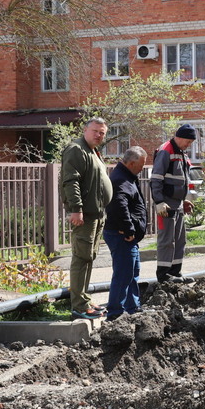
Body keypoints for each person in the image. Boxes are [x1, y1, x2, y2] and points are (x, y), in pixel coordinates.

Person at [60, 117, 113, 319]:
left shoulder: (92, 151)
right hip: (85, 215)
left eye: (102, 133)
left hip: (96, 214)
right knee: (81, 258)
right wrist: (76, 209)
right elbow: (70, 181)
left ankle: (84, 298)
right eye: (96, 131)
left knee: (89, 256)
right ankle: (79, 307)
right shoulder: (76, 149)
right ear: (85, 130)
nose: (99, 135)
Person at [103, 146, 149, 320]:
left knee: (132, 272)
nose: (143, 168)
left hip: (127, 235)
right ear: (131, 163)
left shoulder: (128, 176)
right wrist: (129, 229)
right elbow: (118, 206)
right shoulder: (120, 180)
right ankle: (115, 313)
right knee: (123, 274)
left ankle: (132, 308)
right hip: (121, 234)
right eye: (141, 165)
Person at [150, 124, 196, 281]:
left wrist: (185, 200)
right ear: (180, 137)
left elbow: (182, 179)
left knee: (179, 239)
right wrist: (159, 201)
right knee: (167, 240)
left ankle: (175, 273)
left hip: (177, 203)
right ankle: (164, 275)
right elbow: (156, 178)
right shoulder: (166, 150)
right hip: (167, 203)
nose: (188, 145)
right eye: (188, 142)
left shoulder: (181, 152)